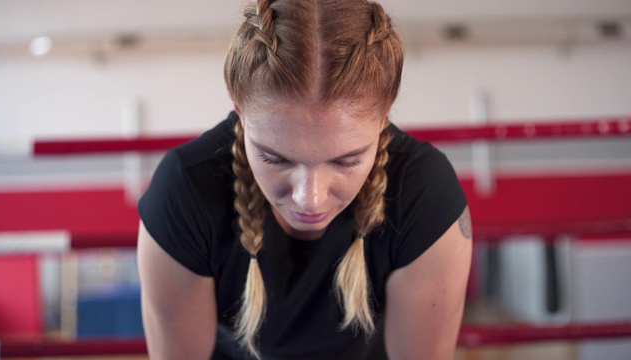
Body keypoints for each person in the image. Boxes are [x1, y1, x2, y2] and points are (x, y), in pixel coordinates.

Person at [136, 0, 472, 359]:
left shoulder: (425, 195)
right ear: (238, 107)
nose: (309, 199)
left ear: (384, 114)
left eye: (347, 160)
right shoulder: (184, 192)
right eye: (274, 158)